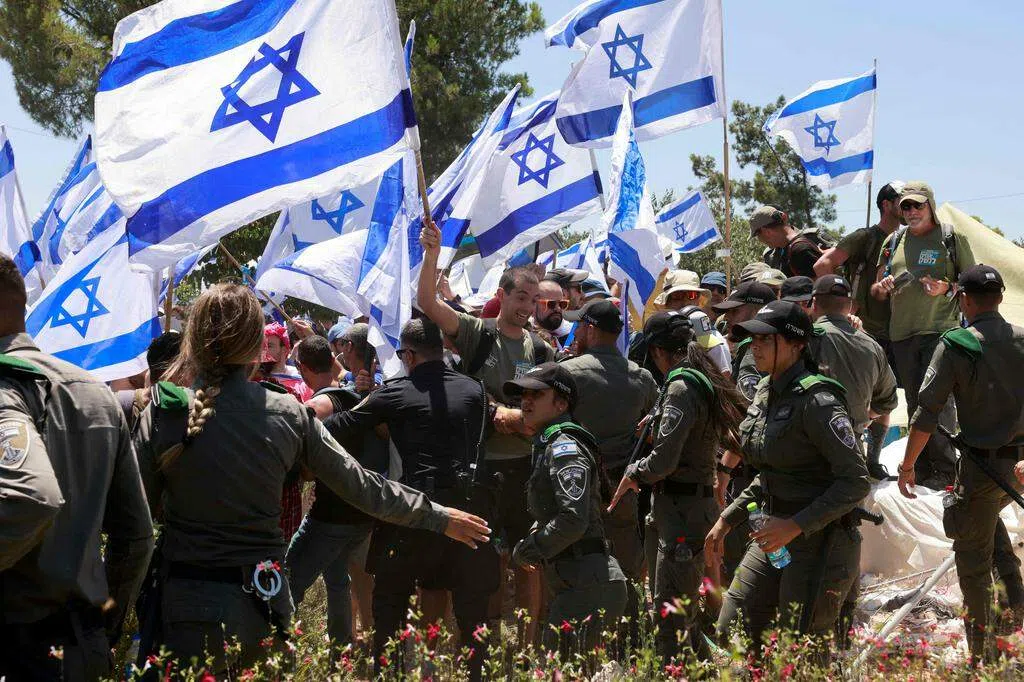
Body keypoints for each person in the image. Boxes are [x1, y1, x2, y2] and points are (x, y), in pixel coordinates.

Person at [132, 284, 490, 673]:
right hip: (261, 599)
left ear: (195, 339)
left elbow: (133, 527)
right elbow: (362, 487)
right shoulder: (286, 413)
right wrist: (438, 515)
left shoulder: (164, 413)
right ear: (258, 346)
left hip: (183, 602)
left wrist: (112, 616)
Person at [0, 254, 155, 681]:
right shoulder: (96, 393)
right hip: (82, 645)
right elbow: (136, 539)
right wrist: (103, 623)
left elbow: (32, 497)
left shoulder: (5, 387)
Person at [324, 319, 498, 678]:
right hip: (468, 510)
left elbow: (337, 429)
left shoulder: (394, 393)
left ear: (409, 355)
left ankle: (390, 673)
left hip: (414, 510)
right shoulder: (475, 390)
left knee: (390, 606)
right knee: (472, 615)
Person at [705, 300, 870, 650]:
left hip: (820, 541)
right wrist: (727, 519)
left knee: (802, 652)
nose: (756, 346)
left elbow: (856, 481)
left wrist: (795, 525)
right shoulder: (766, 392)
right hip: (772, 533)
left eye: (766, 339)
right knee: (733, 629)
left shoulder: (818, 400)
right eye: (753, 339)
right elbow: (770, 472)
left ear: (796, 344)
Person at [417, 222, 553, 643]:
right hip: (482, 467)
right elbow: (427, 302)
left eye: (533, 299)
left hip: (526, 467)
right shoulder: (478, 333)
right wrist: (432, 255)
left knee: (528, 557)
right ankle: (485, 639)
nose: (527, 306)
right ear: (501, 294)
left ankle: (528, 642)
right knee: (484, 560)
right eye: (520, 297)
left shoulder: (541, 348)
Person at [896, 265, 1024, 661]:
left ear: (964, 300)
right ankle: (1014, 612)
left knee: (972, 562)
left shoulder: (958, 344)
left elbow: (926, 414)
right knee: (988, 527)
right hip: (1017, 469)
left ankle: (983, 658)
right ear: (1000, 298)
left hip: (983, 469)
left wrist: (907, 465)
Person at [608, 312, 746, 661]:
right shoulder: (692, 379)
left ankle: (684, 669)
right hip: (677, 507)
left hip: (683, 512)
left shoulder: (681, 387)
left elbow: (663, 463)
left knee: (673, 614)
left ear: (657, 351)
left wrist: (633, 472)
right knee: (673, 606)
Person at [504, 362, 627, 651]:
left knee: (562, 667)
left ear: (561, 404)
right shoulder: (550, 443)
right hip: (577, 582)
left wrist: (530, 547)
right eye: (523, 395)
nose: (526, 401)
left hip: (587, 586)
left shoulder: (564, 447)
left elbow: (573, 519)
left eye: (536, 395)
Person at [559, 300, 658, 643]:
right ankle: (629, 637)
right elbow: (656, 424)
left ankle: (582, 638)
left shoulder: (569, 373)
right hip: (623, 487)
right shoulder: (641, 376)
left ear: (589, 329)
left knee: (579, 560)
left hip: (577, 485)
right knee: (627, 561)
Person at [871, 181, 975, 487]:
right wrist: (883, 286)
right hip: (902, 334)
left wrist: (947, 288)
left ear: (930, 205)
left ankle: (945, 471)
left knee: (938, 402)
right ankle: (922, 467)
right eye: (906, 206)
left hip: (940, 332)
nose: (912, 211)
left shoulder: (951, 238)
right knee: (916, 402)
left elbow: (973, 284)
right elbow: (875, 290)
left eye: (918, 204)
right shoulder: (893, 240)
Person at [287, 335, 385, 649]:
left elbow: (306, 460)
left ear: (302, 368)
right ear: (332, 361)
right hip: (362, 512)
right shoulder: (355, 396)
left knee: (288, 581)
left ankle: (272, 649)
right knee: (337, 578)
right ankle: (341, 647)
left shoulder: (320, 404)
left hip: (332, 517)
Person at [809, 275, 898, 480]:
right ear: (849, 306)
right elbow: (889, 400)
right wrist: (864, 417)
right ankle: (873, 464)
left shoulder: (806, 339)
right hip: (852, 453)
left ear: (814, 303)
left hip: (809, 452)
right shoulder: (872, 346)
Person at [814, 182, 904, 345]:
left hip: (898, 331)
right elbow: (823, 265)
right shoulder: (865, 237)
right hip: (865, 331)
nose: (908, 204)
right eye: (902, 200)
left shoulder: (906, 240)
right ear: (886, 204)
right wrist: (844, 302)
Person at [712, 282, 777, 401]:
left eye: (734, 311)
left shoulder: (753, 351)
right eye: (727, 311)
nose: (726, 317)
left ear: (759, 313)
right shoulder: (774, 345)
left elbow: (745, 406)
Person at [116, 330, 183, 431]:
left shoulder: (190, 412)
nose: (193, 374)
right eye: (187, 366)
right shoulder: (121, 405)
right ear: (171, 373)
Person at [750, 205, 824, 278]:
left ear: (767, 232)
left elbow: (817, 283)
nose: (760, 240)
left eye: (757, 235)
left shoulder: (799, 250)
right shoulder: (786, 249)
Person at [263, 322, 313, 401]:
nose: (263, 351)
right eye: (262, 346)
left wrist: (312, 338)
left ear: (284, 350)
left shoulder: (301, 378)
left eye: (269, 346)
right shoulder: (254, 381)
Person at [534, 278, 572, 347]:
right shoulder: (524, 339)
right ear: (534, 304)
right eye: (551, 304)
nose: (558, 308)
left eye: (562, 304)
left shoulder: (569, 336)